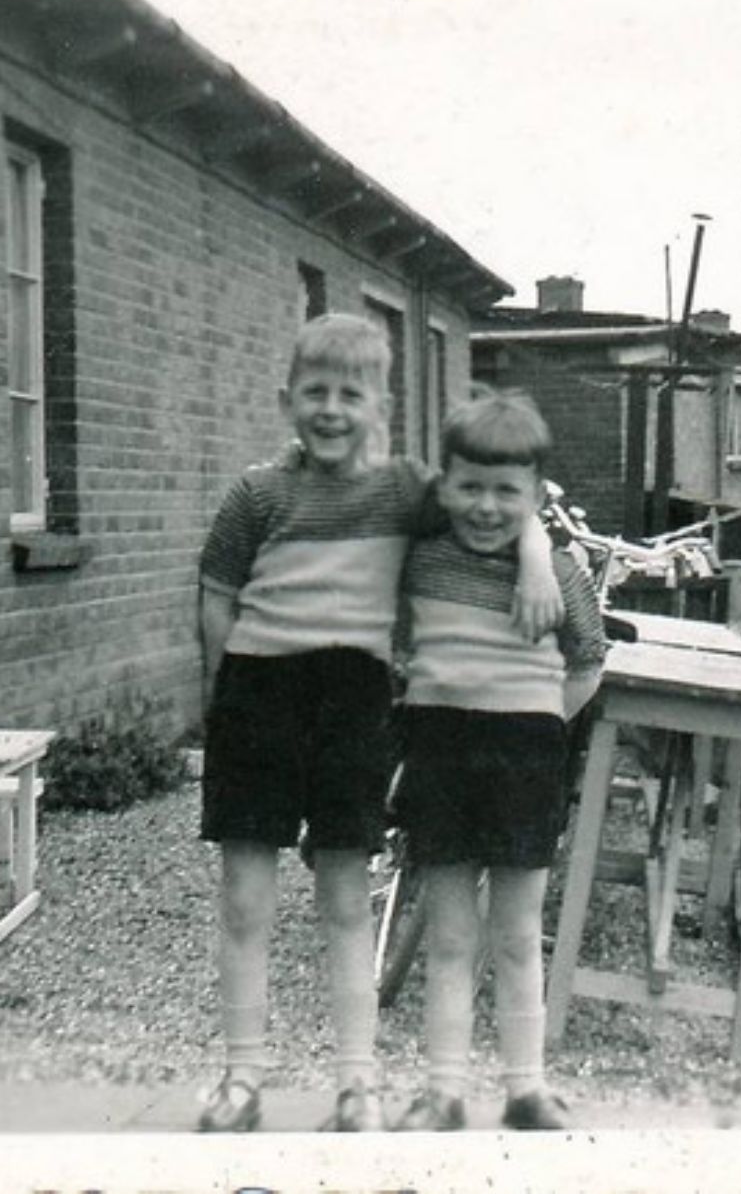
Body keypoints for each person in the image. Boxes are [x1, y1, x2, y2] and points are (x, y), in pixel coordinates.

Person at [194, 314, 561, 1133]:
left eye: (349, 394)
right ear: (287, 401)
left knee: (346, 901)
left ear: (380, 405)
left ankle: (356, 1086)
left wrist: (536, 552)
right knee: (246, 903)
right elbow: (216, 592)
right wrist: (220, 694)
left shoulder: (404, 490)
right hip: (258, 694)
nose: (331, 410)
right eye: (315, 393)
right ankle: (242, 1080)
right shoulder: (257, 494)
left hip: (353, 700)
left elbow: (496, 494)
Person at [390, 390, 607, 1131]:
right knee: (449, 937)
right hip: (440, 760)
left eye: (505, 491)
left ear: (535, 495)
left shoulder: (560, 580)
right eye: (469, 487)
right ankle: (442, 1093)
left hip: (525, 762)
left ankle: (525, 1089)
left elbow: (589, 662)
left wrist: (539, 725)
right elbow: (395, 645)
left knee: (517, 935)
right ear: (444, 485)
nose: (485, 506)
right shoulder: (418, 563)